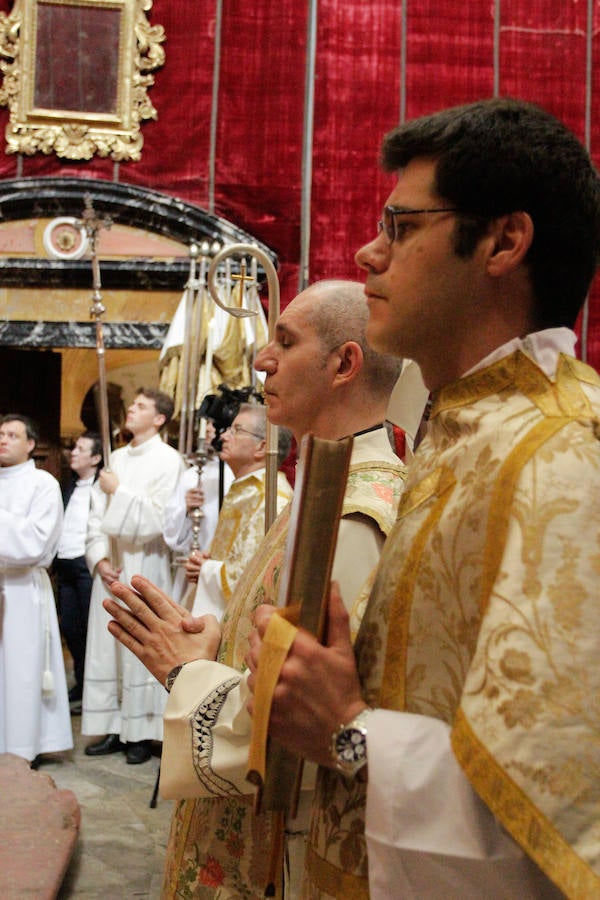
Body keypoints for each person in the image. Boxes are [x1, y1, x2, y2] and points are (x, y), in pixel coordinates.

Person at [242, 98, 600, 898]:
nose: (369, 252)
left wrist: (351, 735)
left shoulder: (564, 454)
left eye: (403, 228)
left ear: (504, 241)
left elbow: (568, 800)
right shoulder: (466, 429)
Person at [102, 279, 405, 897]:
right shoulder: (335, 484)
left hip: (285, 848)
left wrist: (188, 674)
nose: (263, 359)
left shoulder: (352, 514)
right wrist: (218, 640)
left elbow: (301, 729)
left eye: (285, 342)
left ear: (344, 363)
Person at [82, 388, 184, 764]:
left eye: (141, 406)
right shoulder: (116, 458)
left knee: (139, 644)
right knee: (106, 647)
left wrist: (119, 492)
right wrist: (99, 559)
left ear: (159, 419)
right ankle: (111, 725)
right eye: (133, 405)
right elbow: (94, 515)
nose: (132, 410)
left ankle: (141, 732)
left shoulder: (170, 461)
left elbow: (161, 520)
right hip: (114, 567)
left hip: (146, 565)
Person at [0, 414, 73, 764]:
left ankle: (20, 747)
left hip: (21, 588)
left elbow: (34, 542)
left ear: (30, 444)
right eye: (0, 434)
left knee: (20, 670)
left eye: (12, 435)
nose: (3, 439)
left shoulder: (42, 483)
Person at [183, 403, 293, 618]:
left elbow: (258, 578)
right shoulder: (247, 489)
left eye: (237, 431)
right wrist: (209, 561)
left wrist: (206, 569)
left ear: (262, 447)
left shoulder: (273, 498)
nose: (223, 437)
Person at [54, 431, 102, 714]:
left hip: (87, 568)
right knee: (70, 628)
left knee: (88, 630)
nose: (73, 453)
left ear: (96, 458)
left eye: (81, 449)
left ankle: (91, 691)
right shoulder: (68, 486)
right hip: (65, 564)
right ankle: (80, 683)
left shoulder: (100, 486)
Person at [162, 421, 234, 605]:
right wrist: (186, 510)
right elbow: (172, 536)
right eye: (206, 424)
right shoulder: (191, 475)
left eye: (214, 424)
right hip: (192, 568)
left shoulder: (236, 474)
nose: (209, 429)